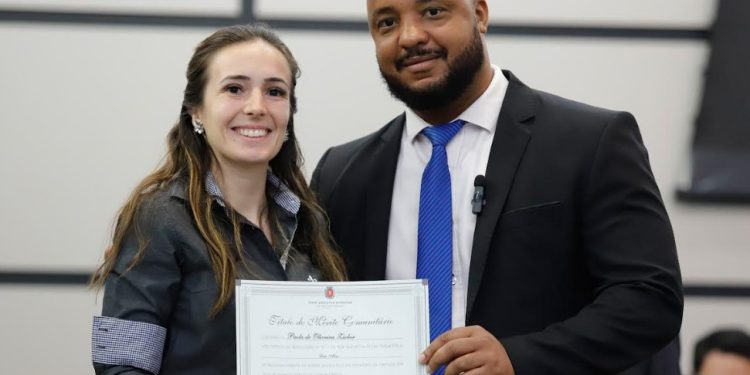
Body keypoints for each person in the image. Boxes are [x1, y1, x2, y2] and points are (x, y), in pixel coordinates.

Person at [311, 0, 683, 374]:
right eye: (387, 22)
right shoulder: (341, 174)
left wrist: (518, 359)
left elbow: (650, 300)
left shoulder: (590, 142)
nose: (409, 36)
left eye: (433, 12)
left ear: (480, 14)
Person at [90, 24, 346, 375]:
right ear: (196, 111)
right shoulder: (160, 217)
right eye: (234, 89)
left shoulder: (309, 222)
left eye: (274, 91)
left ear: (288, 114)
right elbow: (121, 364)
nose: (256, 107)